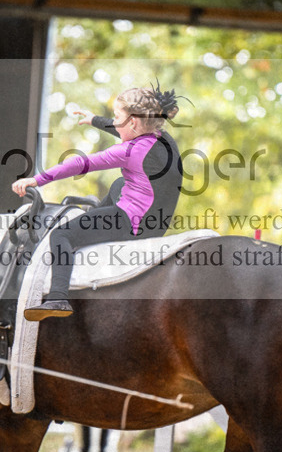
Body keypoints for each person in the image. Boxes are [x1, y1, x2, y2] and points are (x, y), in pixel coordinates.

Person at [11, 84, 185, 320]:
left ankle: (58, 298)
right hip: (156, 220)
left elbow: (80, 164)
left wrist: (37, 179)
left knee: (60, 235)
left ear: (133, 122)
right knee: (118, 185)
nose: (113, 122)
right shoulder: (161, 138)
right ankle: (97, 211)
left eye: (117, 117)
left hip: (132, 224)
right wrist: (94, 120)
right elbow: (125, 130)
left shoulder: (130, 151)